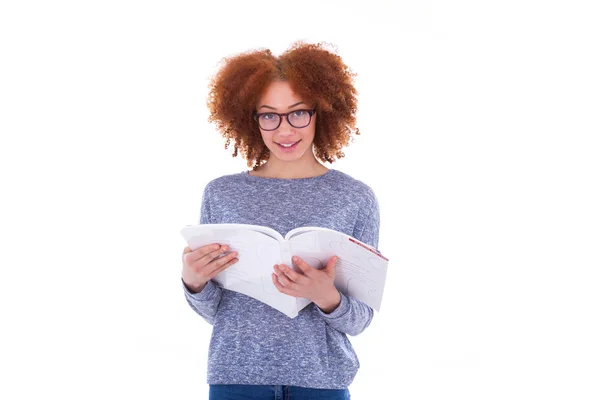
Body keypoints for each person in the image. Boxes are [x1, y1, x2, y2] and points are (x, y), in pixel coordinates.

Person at [181, 41, 382, 400]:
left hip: (321, 384)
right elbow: (216, 312)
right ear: (251, 118)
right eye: (269, 115)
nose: (285, 130)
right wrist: (194, 283)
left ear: (321, 112)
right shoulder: (222, 194)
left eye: (298, 113)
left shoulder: (355, 198)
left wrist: (326, 297)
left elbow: (360, 320)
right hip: (235, 379)